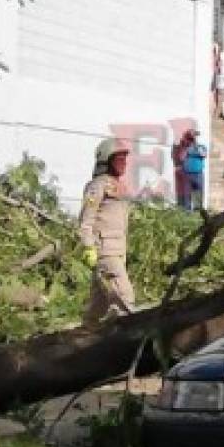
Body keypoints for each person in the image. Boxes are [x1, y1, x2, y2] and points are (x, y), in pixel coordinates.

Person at [78, 138, 134, 324]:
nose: (123, 163)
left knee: (98, 305)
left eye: (125, 159)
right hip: (105, 251)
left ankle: (83, 338)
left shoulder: (119, 186)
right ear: (106, 160)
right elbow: (86, 220)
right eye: (119, 159)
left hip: (119, 250)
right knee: (124, 297)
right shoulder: (98, 186)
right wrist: (88, 246)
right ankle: (131, 339)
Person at [182, 130, 207, 210]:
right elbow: (181, 158)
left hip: (198, 174)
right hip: (187, 174)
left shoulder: (201, 147)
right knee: (187, 195)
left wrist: (196, 145)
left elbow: (203, 154)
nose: (192, 139)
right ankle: (187, 214)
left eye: (193, 138)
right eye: (190, 138)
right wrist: (187, 148)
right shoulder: (184, 148)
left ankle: (198, 212)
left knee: (198, 195)